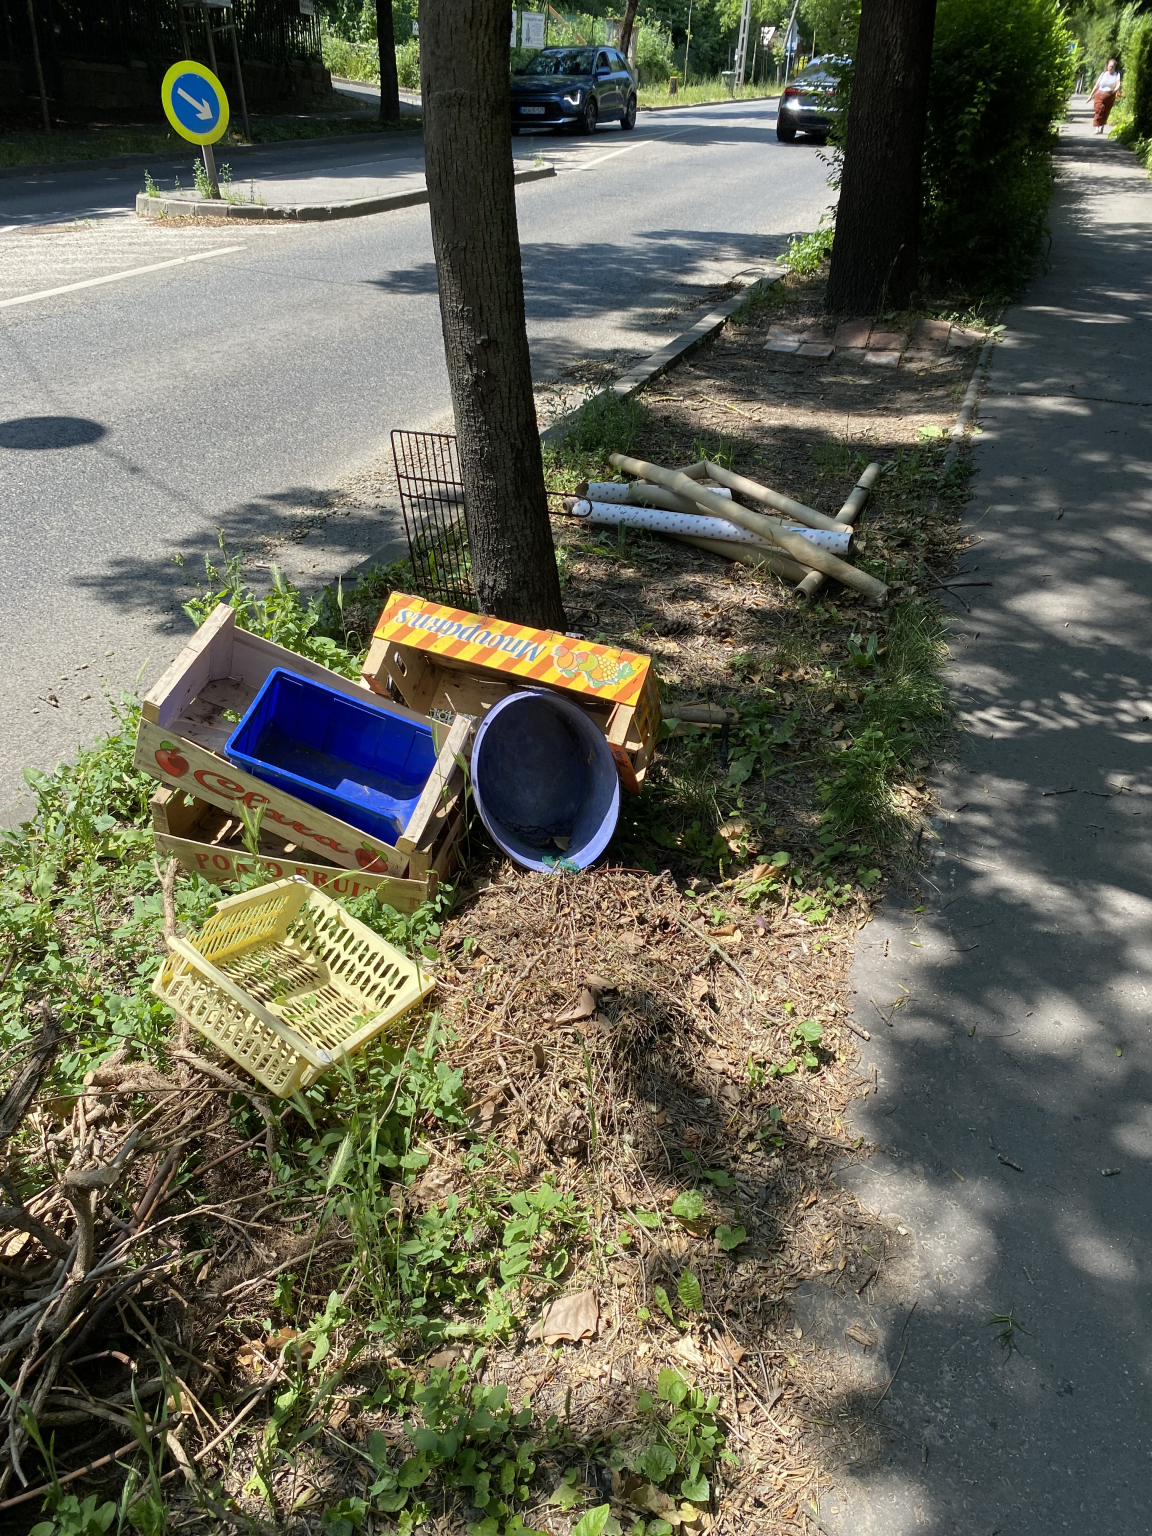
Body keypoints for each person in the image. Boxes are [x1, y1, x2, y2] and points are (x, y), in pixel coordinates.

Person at [1093, 59, 1122, 133]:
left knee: (1106, 111)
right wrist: (1091, 95)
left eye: (1112, 66)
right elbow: (1097, 85)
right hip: (1100, 94)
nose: (1110, 68)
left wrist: (1115, 90)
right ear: (1107, 66)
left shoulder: (1117, 75)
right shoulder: (1103, 74)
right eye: (1109, 66)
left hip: (1110, 95)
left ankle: (1101, 126)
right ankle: (1097, 127)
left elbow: (1118, 83)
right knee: (1099, 110)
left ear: (1114, 67)